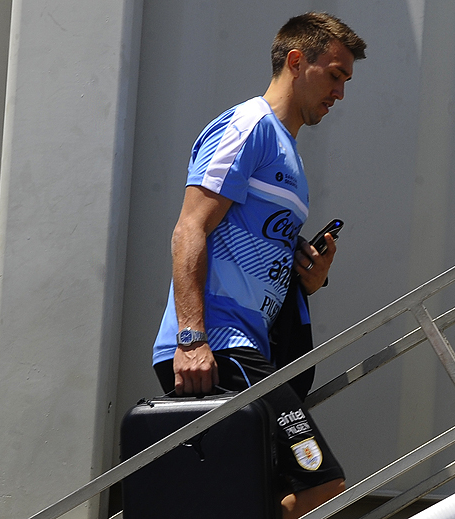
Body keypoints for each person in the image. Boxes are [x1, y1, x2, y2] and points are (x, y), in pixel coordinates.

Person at [151, 12, 366, 518]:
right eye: (335, 75)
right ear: (297, 61)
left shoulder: (287, 150)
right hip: (217, 348)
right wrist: (191, 338)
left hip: (250, 349)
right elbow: (189, 229)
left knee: (249, 498)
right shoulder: (249, 127)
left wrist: (309, 277)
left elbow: (252, 248)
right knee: (320, 483)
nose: (340, 93)